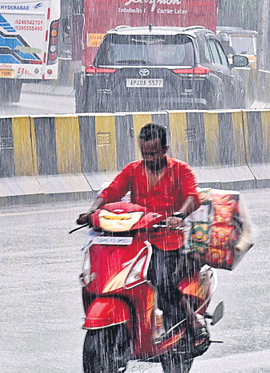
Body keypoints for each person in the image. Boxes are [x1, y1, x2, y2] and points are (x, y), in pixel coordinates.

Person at [78, 123, 200, 335]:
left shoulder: (181, 170)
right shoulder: (132, 170)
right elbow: (111, 192)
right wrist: (92, 212)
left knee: (159, 277)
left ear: (165, 149)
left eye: (154, 153)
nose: (149, 158)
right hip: (136, 241)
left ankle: (192, 319)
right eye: (146, 154)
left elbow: (192, 197)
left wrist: (178, 215)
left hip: (168, 240)